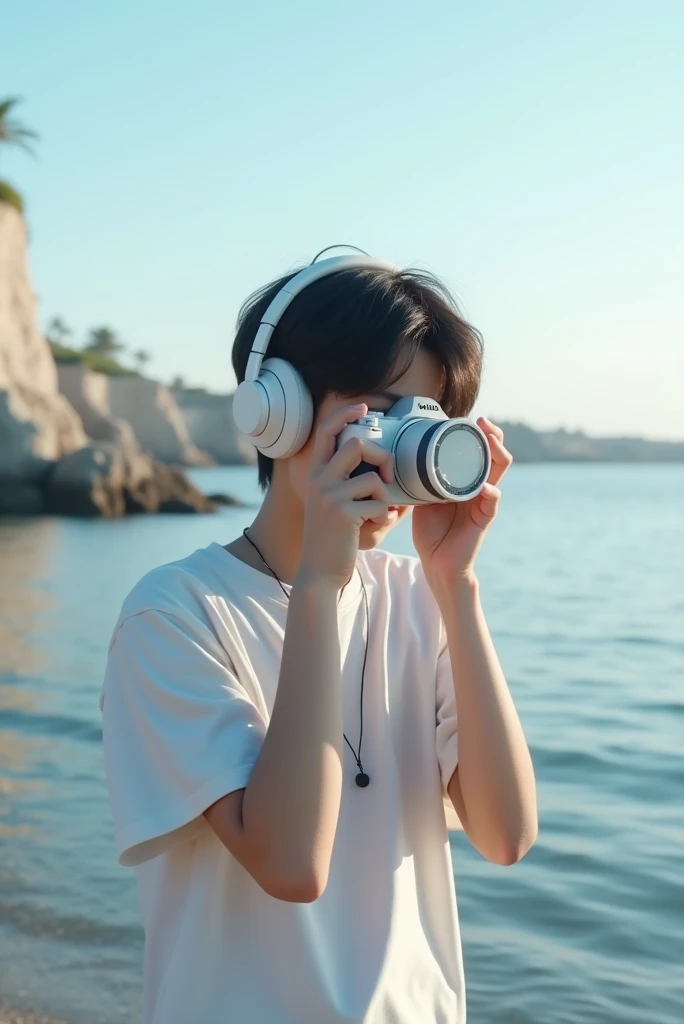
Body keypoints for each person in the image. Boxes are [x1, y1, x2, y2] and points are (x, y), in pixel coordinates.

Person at [100, 252, 538, 1024]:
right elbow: (291, 861)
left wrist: (456, 588)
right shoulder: (172, 615)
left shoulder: (419, 602)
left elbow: (505, 835)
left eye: (427, 419)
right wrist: (318, 588)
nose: (403, 445)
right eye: (383, 408)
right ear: (279, 410)